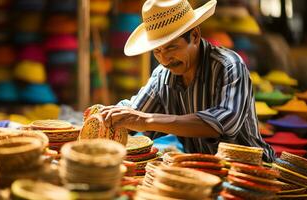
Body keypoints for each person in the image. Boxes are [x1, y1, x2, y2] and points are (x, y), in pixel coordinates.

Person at [100, 0, 275, 162]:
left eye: (171, 47)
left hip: (252, 170)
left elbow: (221, 124)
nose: (165, 59)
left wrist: (146, 120)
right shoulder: (162, 75)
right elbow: (135, 111)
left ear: (195, 36)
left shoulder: (229, 66)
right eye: (157, 51)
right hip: (205, 170)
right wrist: (110, 115)